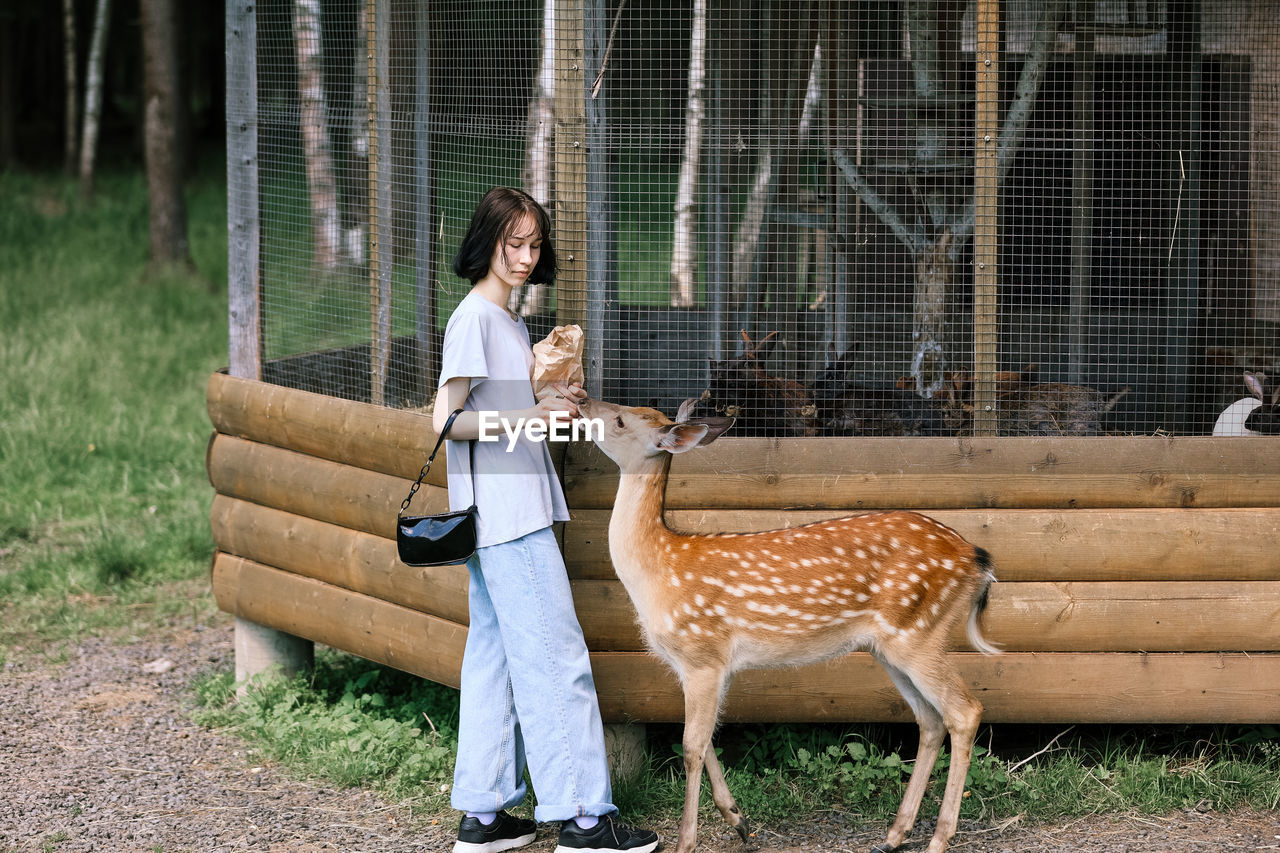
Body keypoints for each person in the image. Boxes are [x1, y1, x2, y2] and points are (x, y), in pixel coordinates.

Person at [433, 187, 659, 853]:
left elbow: (496, 406)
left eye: (534, 244)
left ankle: (484, 812)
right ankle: (585, 816)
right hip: (507, 516)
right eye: (514, 244)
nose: (527, 256)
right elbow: (446, 420)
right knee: (557, 657)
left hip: (502, 510)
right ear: (487, 242)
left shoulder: (505, 322)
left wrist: (549, 397)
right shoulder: (474, 318)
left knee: (497, 657)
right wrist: (530, 417)